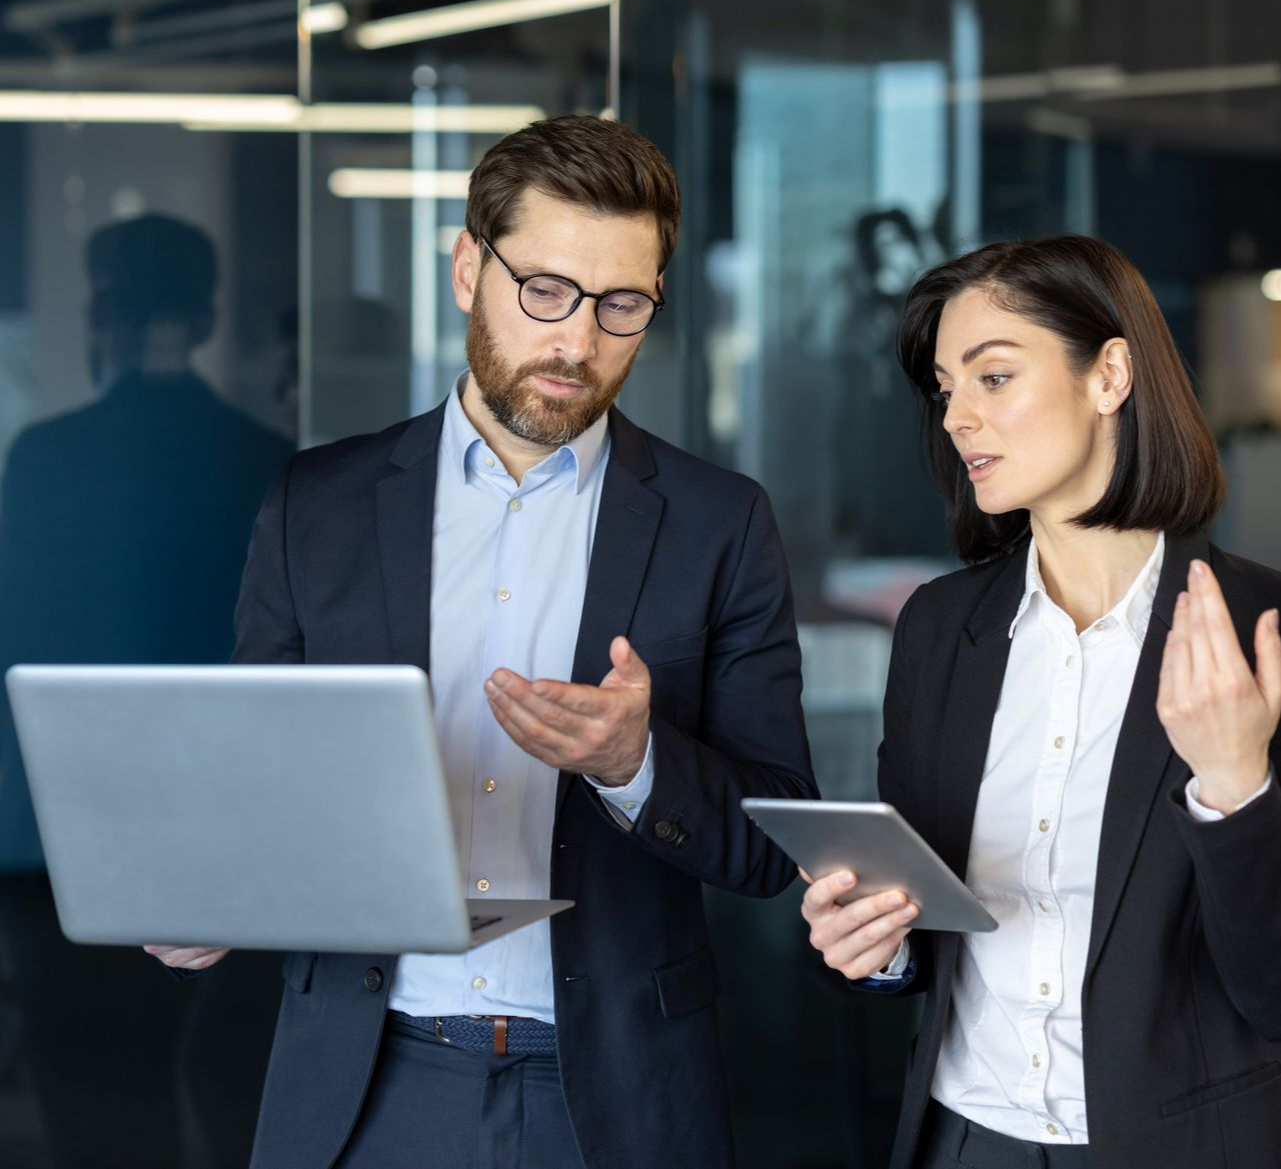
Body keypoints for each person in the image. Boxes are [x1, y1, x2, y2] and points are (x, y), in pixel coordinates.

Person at [149, 115, 817, 1169]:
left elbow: (777, 840)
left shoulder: (717, 522)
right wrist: (212, 891)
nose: (578, 340)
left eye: (621, 305)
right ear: (469, 269)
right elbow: (258, 774)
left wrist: (637, 765)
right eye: (544, 289)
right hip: (365, 1078)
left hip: (612, 1092)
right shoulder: (316, 503)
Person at [800, 235, 1281, 1169]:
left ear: (1109, 375)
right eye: (945, 389)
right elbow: (917, 918)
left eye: (992, 378)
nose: (956, 419)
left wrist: (1234, 784)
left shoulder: (1263, 628)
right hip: (964, 1139)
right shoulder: (939, 629)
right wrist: (874, 942)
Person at [0, 214, 292, 1166]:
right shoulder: (262, 457)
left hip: (62, 836)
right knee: (237, 1097)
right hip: (231, 833)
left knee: (95, 1113)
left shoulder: (43, 459)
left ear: (99, 313)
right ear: (207, 317)